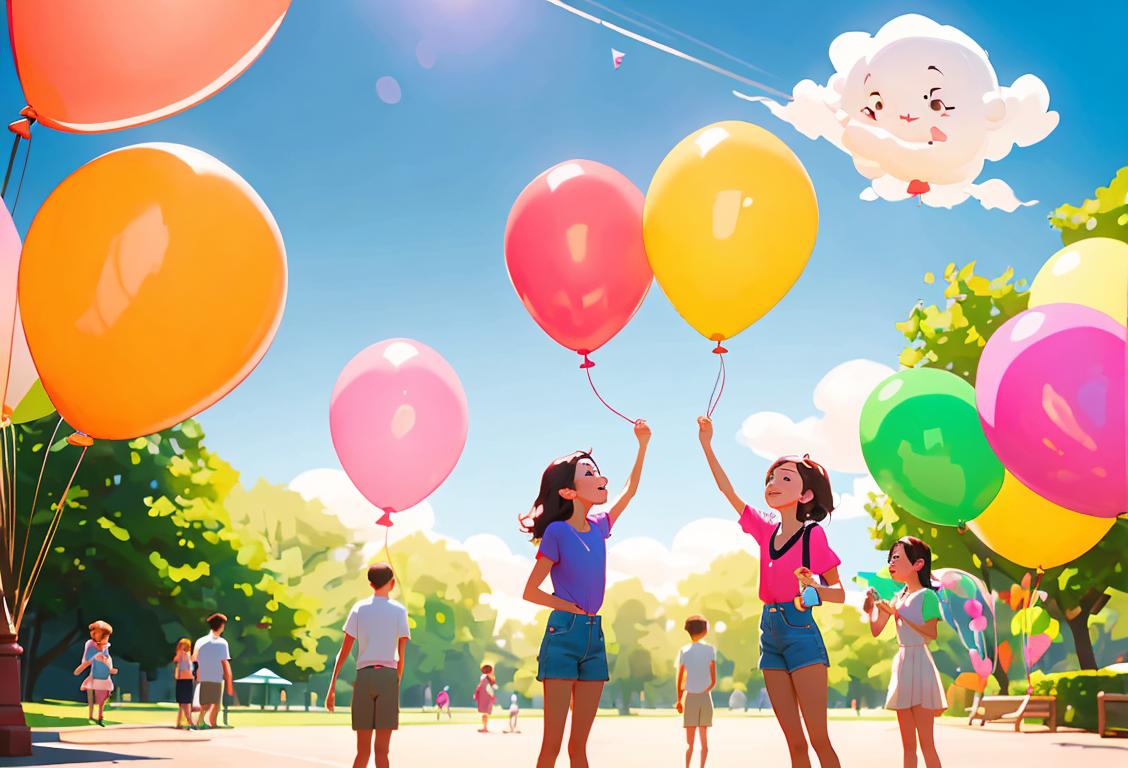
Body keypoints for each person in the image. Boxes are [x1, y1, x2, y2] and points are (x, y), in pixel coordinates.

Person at [699, 416, 844, 768]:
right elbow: (727, 491)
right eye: (770, 479)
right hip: (770, 633)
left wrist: (815, 588)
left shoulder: (813, 535)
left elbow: (838, 591)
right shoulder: (765, 530)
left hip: (801, 631)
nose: (773, 484)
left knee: (818, 739)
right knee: (794, 744)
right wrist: (707, 444)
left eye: (785, 478)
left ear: (805, 494)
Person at [522, 419, 651, 768]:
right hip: (563, 632)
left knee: (579, 747)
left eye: (598, 472)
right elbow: (530, 591)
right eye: (589, 473)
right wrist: (571, 608)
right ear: (568, 491)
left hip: (594, 636)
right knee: (552, 745)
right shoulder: (558, 533)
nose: (600, 479)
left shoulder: (600, 526)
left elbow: (631, 489)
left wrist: (642, 445)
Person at [865, 537, 947, 768]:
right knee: (908, 746)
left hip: (920, 664)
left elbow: (931, 633)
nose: (891, 562)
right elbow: (876, 629)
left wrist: (901, 616)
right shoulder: (897, 597)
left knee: (926, 744)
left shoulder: (927, 596)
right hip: (903, 665)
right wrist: (871, 609)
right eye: (891, 558)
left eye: (897, 557)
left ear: (918, 564)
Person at [326, 563, 411, 768]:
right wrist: (396, 681)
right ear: (391, 583)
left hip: (364, 677)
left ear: (370, 583)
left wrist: (332, 687)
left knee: (362, 752)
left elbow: (343, 652)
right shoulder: (399, 611)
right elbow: (401, 654)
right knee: (382, 752)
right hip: (388, 677)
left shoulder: (359, 608)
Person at [676, 615, 717, 768]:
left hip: (690, 698)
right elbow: (713, 679)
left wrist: (679, 699)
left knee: (690, 743)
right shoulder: (709, 650)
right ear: (703, 630)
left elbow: (680, 678)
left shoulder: (684, 651)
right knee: (704, 741)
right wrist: (705, 690)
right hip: (704, 697)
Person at [193, 613, 234, 729]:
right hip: (216, 677)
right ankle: (204, 722)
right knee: (213, 704)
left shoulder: (200, 641)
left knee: (207, 703)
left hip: (204, 677)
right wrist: (229, 680)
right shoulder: (222, 643)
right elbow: (225, 663)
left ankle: (208, 723)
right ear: (221, 626)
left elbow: (194, 659)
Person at [74, 620, 117, 726]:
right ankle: (90, 715)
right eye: (104, 635)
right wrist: (84, 665)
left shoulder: (105, 647)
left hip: (104, 678)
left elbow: (107, 660)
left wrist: (109, 667)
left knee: (102, 699)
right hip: (94, 677)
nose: (106, 638)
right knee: (91, 697)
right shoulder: (90, 645)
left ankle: (100, 717)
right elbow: (87, 659)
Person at [172, 637, 195, 729]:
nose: (184, 647)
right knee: (183, 702)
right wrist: (181, 652)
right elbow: (176, 660)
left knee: (186, 701)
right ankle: (187, 721)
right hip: (182, 679)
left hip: (188, 679)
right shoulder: (181, 653)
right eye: (182, 645)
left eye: (185, 645)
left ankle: (185, 721)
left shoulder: (188, 654)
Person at [474, 663, 497, 732]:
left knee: (485, 713)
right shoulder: (486, 678)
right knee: (485, 713)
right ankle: (485, 727)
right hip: (486, 697)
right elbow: (489, 688)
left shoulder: (486, 678)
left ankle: (485, 727)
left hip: (485, 696)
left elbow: (488, 687)